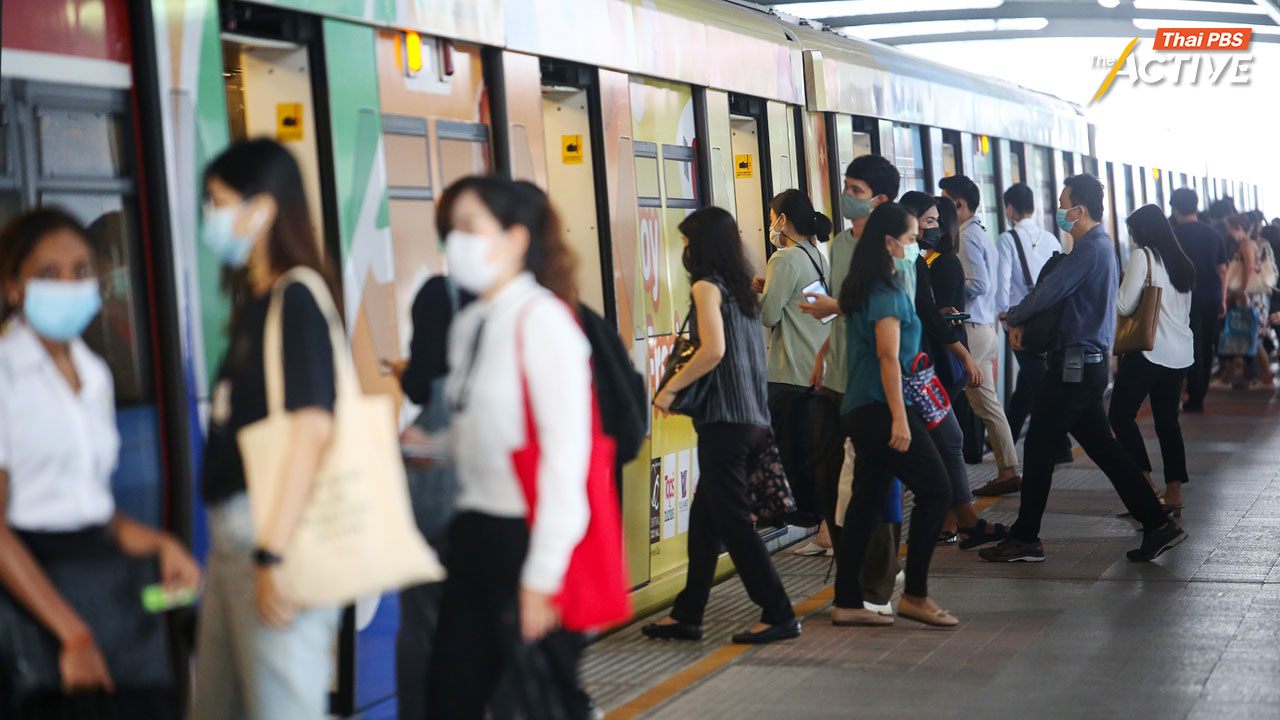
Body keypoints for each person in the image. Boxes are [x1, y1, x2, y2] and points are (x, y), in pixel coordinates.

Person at [0, 208, 200, 719]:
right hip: (34, 598)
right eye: (49, 274)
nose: (69, 285)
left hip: (105, 590)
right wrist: (72, 632)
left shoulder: (95, 375)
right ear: (13, 287)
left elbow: (90, 507)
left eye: (82, 270)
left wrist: (161, 543)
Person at [191, 139, 344, 720]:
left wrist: (273, 555)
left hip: (273, 532)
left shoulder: (297, 297)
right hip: (236, 539)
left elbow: (311, 427)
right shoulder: (259, 302)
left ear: (263, 208)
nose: (211, 217)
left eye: (218, 201)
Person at [431, 177, 595, 718]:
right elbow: (479, 429)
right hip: (473, 532)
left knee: (541, 701)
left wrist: (542, 576)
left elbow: (565, 459)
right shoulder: (473, 322)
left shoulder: (543, 321)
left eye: (469, 227)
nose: (455, 241)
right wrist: (429, 445)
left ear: (516, 239)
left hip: (528, 538)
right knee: (450, 698)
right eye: (451, 228)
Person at [982, 174, 1187, 564]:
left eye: (1064, 203)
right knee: (1105, 450)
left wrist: (1013, 317)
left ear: (1080, 209)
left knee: (1040, 446)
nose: (1059, 210)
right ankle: (1158, 523)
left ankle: (1026, 538)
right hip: (1083, 367)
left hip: (1075, 367)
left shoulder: (1091, 248)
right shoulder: (1098, 246)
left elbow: (1049, 291)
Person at [644, 206, 800, 646]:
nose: (686, 250)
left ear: (702, 246)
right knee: (705, 522)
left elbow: (711, 351)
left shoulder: (706, 288)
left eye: (689, 241)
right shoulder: (744, 291)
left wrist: (669, 390)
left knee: (732, 524)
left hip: (725, 423)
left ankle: (779, 612)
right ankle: (688, 614)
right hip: (753, 418)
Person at [830, 202, 956, 627]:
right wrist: (901, 420)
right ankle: (915, 595)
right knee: (937, 492)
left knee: (865, 504)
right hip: (882, 409)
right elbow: (888, 357)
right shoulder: (884, 291)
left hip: (861, 408)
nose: (914, 246)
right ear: (888, 242)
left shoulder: (866, 285)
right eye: (909, 239)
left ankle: (847, 602)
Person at [800, 155, 904, 613]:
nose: (846, 196)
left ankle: (877, 587)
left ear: (880, 200)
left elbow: (889, 321)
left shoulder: (899, 249)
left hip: (875, 384)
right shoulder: (841, 244)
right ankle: (852, 575)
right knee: (831, 484)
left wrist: (836, 308)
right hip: (837, 378)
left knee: (872, 488)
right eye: (846, 186)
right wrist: (823, 352)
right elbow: (844, 305)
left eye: (856, 190)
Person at [897, 192, 1003, 548]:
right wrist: (965, 356)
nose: (935, 228)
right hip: (910, 371)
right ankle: (950, 522)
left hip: (917, 368)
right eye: (928, 221)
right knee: (935, 448)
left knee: (946, 442)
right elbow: (926, 313)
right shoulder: (911, 261)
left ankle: (956, 521)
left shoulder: (915, 259)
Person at [1108, 205, 1195, 516]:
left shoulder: (1143, 257)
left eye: (1133, 232)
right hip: (1180, 353)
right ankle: (1173, 493)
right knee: (1167, 422)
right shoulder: (1181, 262)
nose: (1131, 238)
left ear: (1142, 232)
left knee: (1119, 415)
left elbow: (1123, 303)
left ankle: (1144, 482)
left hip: (1149, 351)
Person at [755, 189, 833, 529]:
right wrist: (769, 290)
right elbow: (804, 303)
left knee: (785, 449)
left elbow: (770, 315)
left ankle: (788, 514)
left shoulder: (783, 259)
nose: (771, 225)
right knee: (808, 450)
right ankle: (820, 520)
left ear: (783, 220)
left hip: (788, 371)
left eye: (772, 219)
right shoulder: (815, 254)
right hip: (814, 367)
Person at [939, 175, 1021, 496]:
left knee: (937, 396)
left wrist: (947, 294)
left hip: (970, 332)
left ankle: (940, 475)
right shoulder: (981, 233)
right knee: (988, 405)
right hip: (985, 330)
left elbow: (980, 283)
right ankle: (1008, 469)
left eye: (945, 202)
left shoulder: (967, 238)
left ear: (959, 205)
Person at [996, 183, 1062, 444]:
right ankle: (1009, 435)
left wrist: (1004, 318)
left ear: (1009, 208)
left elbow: (1002, 281)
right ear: (1033, 207)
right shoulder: (1051, 238)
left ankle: (1060, 441)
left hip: (1021, 321)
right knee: (1029, 380)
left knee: (1038, 378)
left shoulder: (1007, 239)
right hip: (1049, 319)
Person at [1170, 188, 1228, 412]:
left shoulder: (1173, 234)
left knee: (1190, 346)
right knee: (1206, 345)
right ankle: (1199, 395)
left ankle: (1192, 394)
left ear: (1175, 209)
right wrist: (1222, 299)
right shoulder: (1214, 233)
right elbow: (1222, 270)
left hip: (1185, 298)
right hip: (1212, 296)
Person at [1222, 213, 1275, 387]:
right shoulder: (1254, 243)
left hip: (1250, 295)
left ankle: (1265, 374)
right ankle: (1251, 374)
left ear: (1238, 228)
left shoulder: (1246, 244)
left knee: (1254, 336)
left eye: (1229, 228)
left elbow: (1250, 268)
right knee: (1252, 335)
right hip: (1255, 294)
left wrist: (1243, 292)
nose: (1228, 232)